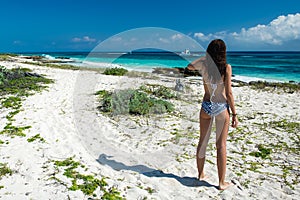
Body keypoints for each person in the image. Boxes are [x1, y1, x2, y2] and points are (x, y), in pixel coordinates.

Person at [186, 39, 238, 190]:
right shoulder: (226, 67)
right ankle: (221, 183)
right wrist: (234, 114)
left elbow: (189, 67)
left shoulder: (203, 64)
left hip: (206, 105)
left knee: (202, 142)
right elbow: (228, 93)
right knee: (221, 146)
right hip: (221, 107)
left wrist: (204, 58)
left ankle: (201, 174)